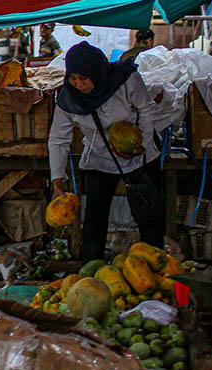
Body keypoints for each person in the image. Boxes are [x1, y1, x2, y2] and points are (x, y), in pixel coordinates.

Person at [48, 41, 164, 261]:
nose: (79, 84)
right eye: (73, 79)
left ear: (97, 72)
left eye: (84, 78)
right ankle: (91, 270)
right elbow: (58, 139)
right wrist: (57, 179)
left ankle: (155, 266)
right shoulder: (68, 98)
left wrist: (140, 146)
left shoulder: (125, 79)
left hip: (140, 156)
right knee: (94, 220)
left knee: (149, 216)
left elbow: (147, 110)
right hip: (99, 158)